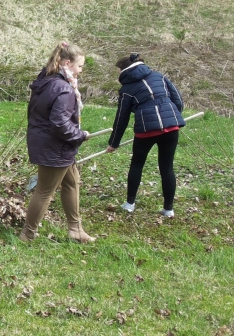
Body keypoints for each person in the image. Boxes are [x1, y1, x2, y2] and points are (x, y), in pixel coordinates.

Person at [21, 41, 94, 243]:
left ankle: (75, 229)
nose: (80, 71)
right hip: (54, 146)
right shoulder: (63, 88)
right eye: (80, 66)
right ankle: (27, 235)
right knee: (44, 191)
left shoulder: (47, 80)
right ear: (68, 63)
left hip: (51, 144)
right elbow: (60, 124)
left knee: (72, 182)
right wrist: (80, 135)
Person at [106, 53, 185, 218]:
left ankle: (129, 204)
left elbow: (121, 118)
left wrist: (113, 143)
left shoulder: (126, 89)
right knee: (167, 166)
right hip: (171, 127)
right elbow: (177, 99)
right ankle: (168, 209)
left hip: (146, 130)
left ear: (123, 70)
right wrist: (174, 118)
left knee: (137, 164)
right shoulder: (159, 77)